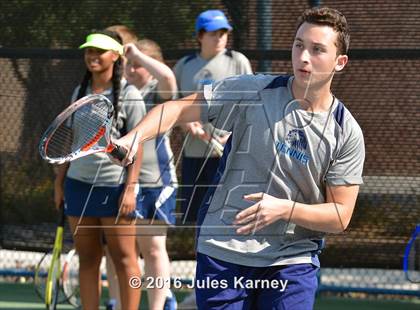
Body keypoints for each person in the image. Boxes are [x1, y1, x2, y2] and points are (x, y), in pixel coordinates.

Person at [114, 7, 365, 309]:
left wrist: (285, 209)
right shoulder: (254, 90)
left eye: (317, 49)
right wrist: (134, 136)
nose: (304, 57)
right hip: (224, 252)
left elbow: (340, 215)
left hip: (292, 259)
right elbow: (178, 108)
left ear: (340, 62)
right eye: (299, 45)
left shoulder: (346, 131)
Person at [53, 29, 143, 310]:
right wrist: (59, 184)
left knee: (125, 259)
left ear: (115, 56)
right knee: (88, 259)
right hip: (78, 186)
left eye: (99, 51)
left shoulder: (130, 95)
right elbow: (71, 143)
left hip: (113, 189)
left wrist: (129, 189)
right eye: (89, 50)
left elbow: (138, 148)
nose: (92, 56)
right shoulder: (79, 93)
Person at [104, 25, 178, 310]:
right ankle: (117, 302)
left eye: (138, 66)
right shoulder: (118, 95)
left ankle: (159, 305)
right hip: (122, 184)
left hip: (155, 182)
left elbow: (168, 76)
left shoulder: (157, 93)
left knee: (153, 249)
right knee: (119, 251)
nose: (132, 70)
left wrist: (135, 53)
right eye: (128, 66)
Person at [173, 9, 252, 223]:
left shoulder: (238, 61)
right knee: (197, 218)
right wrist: (185, 123)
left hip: (228, 155)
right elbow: (173, 105)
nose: (219, 37)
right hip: (194, 155)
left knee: (228, 217)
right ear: (200, 36)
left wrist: (234, 135)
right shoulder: (184, 65)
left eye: (223, 32)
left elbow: (250, 105)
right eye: (212, 33)